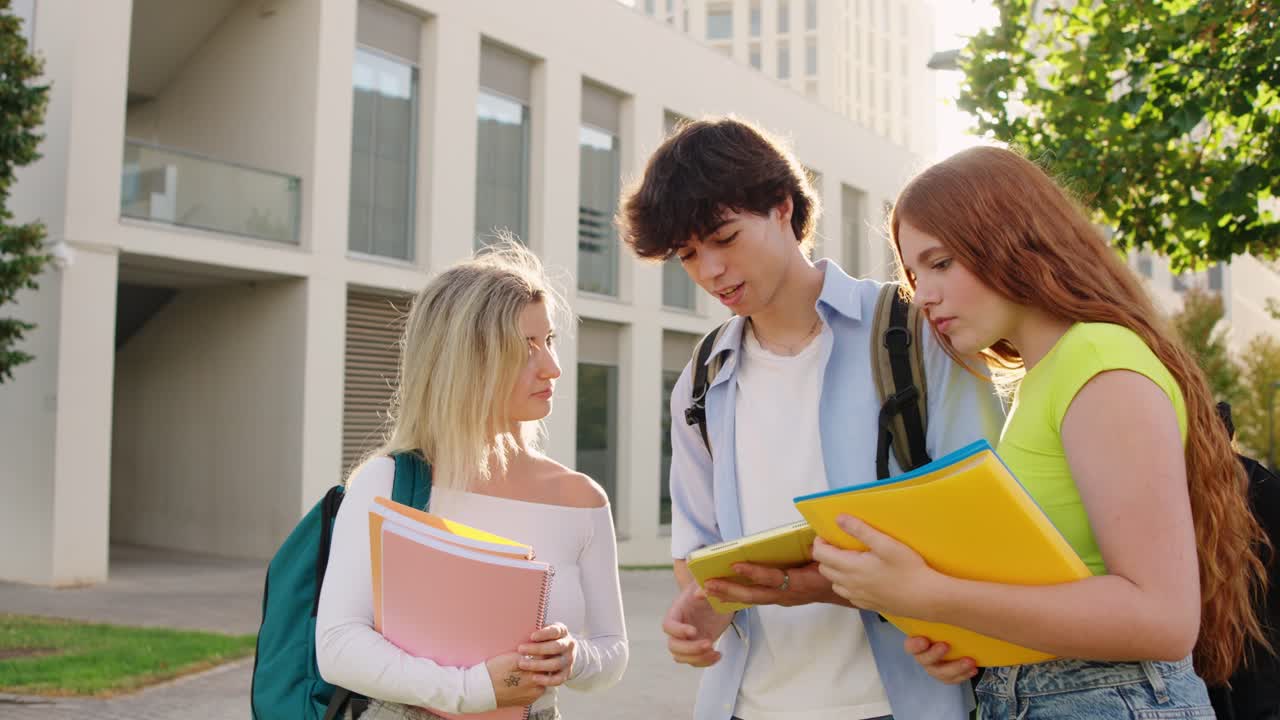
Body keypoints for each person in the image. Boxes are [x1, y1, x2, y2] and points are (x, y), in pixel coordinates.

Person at [811, 146, 1272, 718]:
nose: (922, 295)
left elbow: (1163, 619)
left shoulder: (1098, 360)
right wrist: (969, 638)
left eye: (941, 263)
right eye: (912, 273)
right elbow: (1070, 585)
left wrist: (931, 594)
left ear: (1011, 239)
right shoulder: (1045, 377)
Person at [618, 116, 1005, 720]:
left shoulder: (913, 331)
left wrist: (805, 584)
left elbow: (985, 531)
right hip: (746, 706)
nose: (709, 272)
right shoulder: (701, 378)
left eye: (723, 238)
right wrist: (696, 616)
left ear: (781, 207)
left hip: (902, 701)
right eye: (687, 255)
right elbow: (699, 556)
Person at [316, 242, 628, 720]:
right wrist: (471, 689)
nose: (553, 367)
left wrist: (573, 658)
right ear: (467, 360)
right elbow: (337, 646)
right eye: (526, 348)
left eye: (549, 341)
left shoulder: (581, 499)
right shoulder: (390, 482)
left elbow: (612, 651)